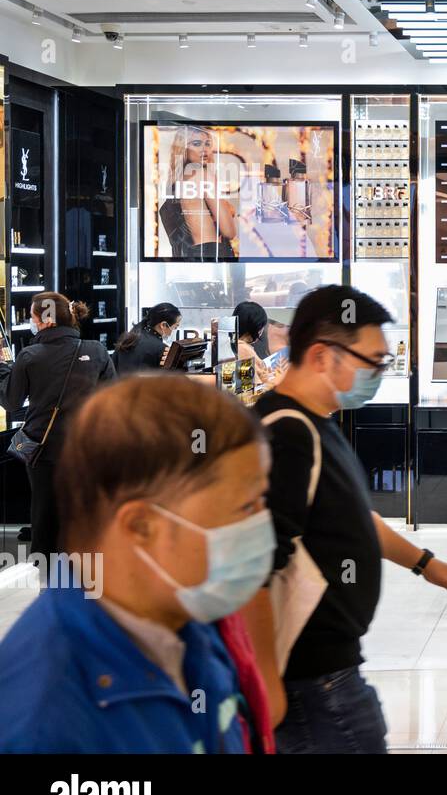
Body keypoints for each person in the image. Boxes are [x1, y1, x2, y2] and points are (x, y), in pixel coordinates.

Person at [250, 285, 447, 753]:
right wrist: (265, 680)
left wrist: (426, 564)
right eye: (371, 361)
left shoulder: (317, 422)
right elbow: (252, 566)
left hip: (334, 673)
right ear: (320, 355)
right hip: (309, 683)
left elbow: (353, 516)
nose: (376, 374)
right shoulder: (285, 433)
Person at [0, 375, 272, 752]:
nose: (262, 524)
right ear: (141, 526)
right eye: (245, 507)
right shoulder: (45, 722)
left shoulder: (186, 615)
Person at [0, 292, 116, 560]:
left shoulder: (30, 356)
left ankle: (48, 586)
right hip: (86, 449)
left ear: (46, 320)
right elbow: (112, 397)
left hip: (44, 450)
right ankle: (86, 582)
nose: (31, 321)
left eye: (32, 316)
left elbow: (11, 400)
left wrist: (4, 367)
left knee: (45, 518)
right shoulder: (95, 350)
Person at [157, 125, 237, 260]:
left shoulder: (176, 184)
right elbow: (229, 231)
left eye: (207, 144)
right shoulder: (204, 176)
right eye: (196, 144)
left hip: (185, 264)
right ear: (183, 147)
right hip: (210, 260)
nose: (204, 149)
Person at [114, 302, 181, 374]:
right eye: (175, 327)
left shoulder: (128, 340)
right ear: (163, 325)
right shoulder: (162, 349)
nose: (174, 331)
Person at [233, 300, 285, 389]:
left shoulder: (236, 346)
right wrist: (276, 380)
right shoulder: (243, 350)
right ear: (256, 326)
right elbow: (248, 390)